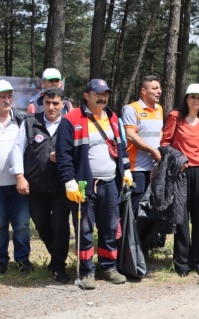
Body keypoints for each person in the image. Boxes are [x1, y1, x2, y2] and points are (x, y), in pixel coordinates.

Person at [56, 79, 131, 288]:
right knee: (84, 229)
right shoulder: (71, 119)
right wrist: (69, 181)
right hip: (83, 185)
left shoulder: (113, 117)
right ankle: (87, 270)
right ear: (86, 95)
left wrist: (127, 172)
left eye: (106, 93)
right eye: (98, 93)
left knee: (109, 228)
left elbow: (121, 148)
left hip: (111, 183)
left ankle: (109, 267)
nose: (103, 97)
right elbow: (63, 156)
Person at [10, 87, 70, 282]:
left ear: (63, 104)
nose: (51, 107)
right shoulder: (30, 123)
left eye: (56, 103)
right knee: (42, 225)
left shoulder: (69, 124)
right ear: (42, 103)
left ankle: (59, 267)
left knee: (61, 227)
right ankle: (56, 258)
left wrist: (62, 158)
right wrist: (19, 176)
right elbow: (17, 149)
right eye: (48, 103)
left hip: (62, 187)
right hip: (36, 187)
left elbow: (78, 153)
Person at [161, 83, 199, 277]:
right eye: (192, 96)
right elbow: (165, 143)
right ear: (186, 98)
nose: (195, 100)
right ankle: (182, 262)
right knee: (181, 217)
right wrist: (177, 159)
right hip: (180, 172)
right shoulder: (175, 117)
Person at [0, 80, 28, 275]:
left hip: (20, 183)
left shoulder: (22, 120)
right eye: (2, 96)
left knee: (21, 224)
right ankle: (0, 260)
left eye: (9, 96)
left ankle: (23, 259)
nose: (7, 100)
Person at [121, 75, 163, 215]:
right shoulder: (132, 109)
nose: (159, 91)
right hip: (136, 168)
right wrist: (152, 150)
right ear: (144, 91)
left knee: (150, 208)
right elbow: (130, 135)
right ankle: (127, 237)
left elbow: (159, 132)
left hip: (155, 168)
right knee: (133, 207)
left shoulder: (159, 109)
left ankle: (144, 237)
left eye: (159, 88)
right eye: (155, 88)